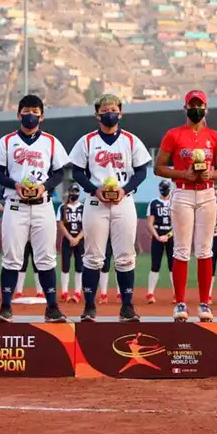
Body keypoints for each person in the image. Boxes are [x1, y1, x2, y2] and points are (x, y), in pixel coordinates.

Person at [0, 94, 68, 323]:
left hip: (43, 206)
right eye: (26, 111)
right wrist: (15, 184)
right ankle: (5, 307)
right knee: (11, 258)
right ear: (18, 114)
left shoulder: (51, 142)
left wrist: (44, 187)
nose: (30, 115)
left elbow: (59, 173)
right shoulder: (6, 141)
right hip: (15, 205)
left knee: (46, 258)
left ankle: (52, 308)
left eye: (35, 112)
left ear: (42, 116)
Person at [69, 93, 151, 322]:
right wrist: (94, 189)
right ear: (97, 115)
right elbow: (77, 171)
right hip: (96, 203)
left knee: (125, 256)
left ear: (121, 113)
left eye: (113, 109)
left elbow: (141, 171)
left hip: (124, 201)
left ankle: (127, 307)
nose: (109, 114)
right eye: (104, 110)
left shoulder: (131, 141)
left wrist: (125, 190)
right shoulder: (87, 141)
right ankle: (89, 307)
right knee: (93, 257)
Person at [154, 89, 217, 322]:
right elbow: (158, 168)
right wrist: (182, 173)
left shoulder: (214, 136)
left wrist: (210, 175)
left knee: (205, 249)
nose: (196, 109)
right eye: (192, 105)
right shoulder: (173, 134)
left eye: (199, 105)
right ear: (185, 108)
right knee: (181, 249)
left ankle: (205, 303)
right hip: (183, 192)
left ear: (206, 108)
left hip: (206, 192)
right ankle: (180, 303)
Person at [146, 180, 174, 303]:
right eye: (163, 188)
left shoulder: (174, 202)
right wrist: (157, 236)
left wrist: (168, 235)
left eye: (166, 187)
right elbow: (150, 223)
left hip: (171, 235)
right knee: (155, 265)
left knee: (173, 265)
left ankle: (176, 294)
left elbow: (178, 223)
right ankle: (150, 293)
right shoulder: (153, 202)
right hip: (157, 234)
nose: (165, 190)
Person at [57, 183, 84, 303]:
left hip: (81, 240)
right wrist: (70, 238)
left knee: (79, 267)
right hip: (67, 240)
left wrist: (77, 238)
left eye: (76, 191)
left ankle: (78, 292)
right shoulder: (62, 207)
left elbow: (86, 225)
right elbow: (60, 224)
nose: (74, 194)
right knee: (65, 266)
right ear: (68, 193)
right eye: (72, 191)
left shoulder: (83, 208)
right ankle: (64, 292)